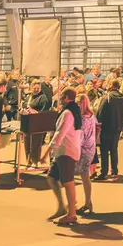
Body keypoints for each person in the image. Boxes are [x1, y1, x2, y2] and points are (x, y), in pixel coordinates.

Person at [46, 86, 83, 225]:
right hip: (63, 151)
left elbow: (59, 133)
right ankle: (62, 206)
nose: (59, 97)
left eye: (61, 95)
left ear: (66, 97)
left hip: (66, 151)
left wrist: (47, 151)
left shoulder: (68, 113)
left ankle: (71, 213)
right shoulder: (73, 111)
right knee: (51, 177)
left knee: (68, 182)